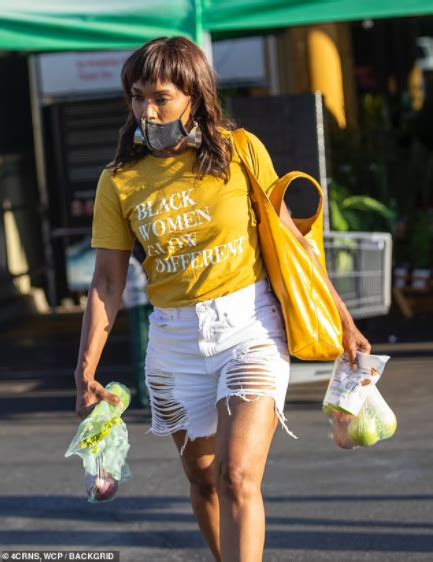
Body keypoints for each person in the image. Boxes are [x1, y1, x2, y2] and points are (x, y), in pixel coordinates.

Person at [74, 36, 371, 562]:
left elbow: (292, 243)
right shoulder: (118, 180)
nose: (147, 109)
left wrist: (343, 320)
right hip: (173, 342)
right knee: (205, 481)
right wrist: (86, 369)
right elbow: (107, 283)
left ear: (195, 94)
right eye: (137, 96)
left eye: (161, 96)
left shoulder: (241, 151)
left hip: (249, 329)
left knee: (237, 476)